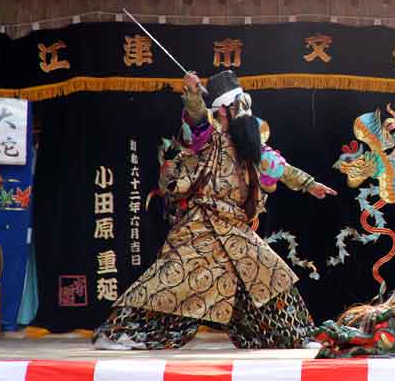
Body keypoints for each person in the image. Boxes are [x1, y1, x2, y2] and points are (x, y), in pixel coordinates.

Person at [93, 70, 336, 350]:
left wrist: (310, 184)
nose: (246, 114)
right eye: (238, 108)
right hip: (202, 226)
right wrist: (194, 95)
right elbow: (195, 119)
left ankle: (294, 336)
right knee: (170, 281)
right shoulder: (206, 138)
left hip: (234, 229)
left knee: (271, 274)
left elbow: (280, 168)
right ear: (222, 111)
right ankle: (118, 333)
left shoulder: (250, 146)